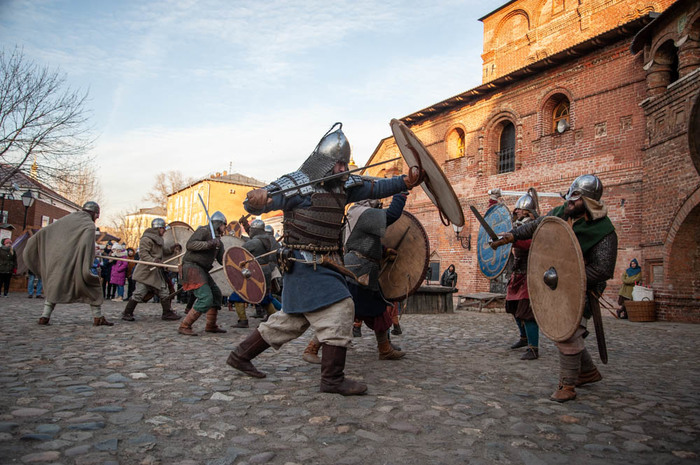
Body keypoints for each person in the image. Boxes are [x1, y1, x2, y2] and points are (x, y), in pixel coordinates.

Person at [225, 122, 423, 396]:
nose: (343, 168)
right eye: (338, 163)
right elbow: (263, 200)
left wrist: (404, 182)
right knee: (341, 308)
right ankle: (332, 379)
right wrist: (256, 200)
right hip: (305, 263)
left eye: (345, 163)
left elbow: (375, 188)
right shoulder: (298, 185)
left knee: (291, 321)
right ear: (323, 163)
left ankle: (240, 355)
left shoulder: (344, 187)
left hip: (324, 263)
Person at [490, 174, 617, 402]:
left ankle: (567, 385)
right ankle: (587, 372)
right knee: (565, 330)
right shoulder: (561, 214)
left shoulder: (603, 230)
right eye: (569, 198)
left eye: (575, 199)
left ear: (589, 201)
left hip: (584, 287)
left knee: (568, 331)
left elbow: (602, 269)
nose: (569, 203)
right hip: (554, 282)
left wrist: (571, 280)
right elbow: (534, 226)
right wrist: (510, 236)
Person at [304, 193, 408, 363]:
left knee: (378, 310)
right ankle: (312, 348)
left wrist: (383, 251)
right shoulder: (364, 213)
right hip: (359, 273)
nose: (379, 206)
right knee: (342, 314)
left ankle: (385, 349)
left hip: (360, 270)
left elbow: (362, 241)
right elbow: (392, 215)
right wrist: (401, 192)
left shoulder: (355, 213)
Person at [23, 201, 113, 326]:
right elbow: (87, 247)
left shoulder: (68, 219)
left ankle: (45, 316)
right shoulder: (89, 225)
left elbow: (44, 232)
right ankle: (98, 317)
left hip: (58, 262)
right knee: (91, 286)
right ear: (94, 213)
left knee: (55, 287)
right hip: (74, 262)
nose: (96, 218)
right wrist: (88, 261)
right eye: (97, 216)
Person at [504, 189, 541, 361]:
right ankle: (524, 337)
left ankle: (533, 348)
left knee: (526, 311)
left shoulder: (535, 226)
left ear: (528, 211)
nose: (516, 210)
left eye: (520, 208)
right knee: (512, 306)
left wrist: (513, 240)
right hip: (517, 272)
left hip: (530, 273)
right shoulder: (517, 225)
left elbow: (531, 244)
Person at [178, 211, 228, 335]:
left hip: (203, 270)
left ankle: (211, 325)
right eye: (224, 225)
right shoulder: (204, 231)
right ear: (219, 224)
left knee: (216, 294)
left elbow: (223, 260)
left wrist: (235, 262)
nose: (225, 228)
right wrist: (209, 244)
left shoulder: (218, 242)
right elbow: (190, 245)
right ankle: (185, 325)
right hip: (192, 267)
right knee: (206, 297)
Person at [121, 218, 181, 322]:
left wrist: (172, 248)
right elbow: (143, 254)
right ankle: (127, 312)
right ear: (158, 228)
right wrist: (154, 261)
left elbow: (163, 251)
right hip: (146, 272)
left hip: (156, 272)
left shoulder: (159, 240)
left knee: (164, 292)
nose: (164, 230)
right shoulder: (146, 239)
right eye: (163, 228)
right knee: (139, 293)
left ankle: (167, 313)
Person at [231, 219, 279, 328]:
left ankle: (242, 320)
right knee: (264, 297)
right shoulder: (270, 240)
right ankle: (273, 317)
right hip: (266, 271)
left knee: (239, 294)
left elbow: (239, 252)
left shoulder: (254, 242)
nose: (250, 231)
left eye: (252, 229)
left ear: (255, 230)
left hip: (254, 272)